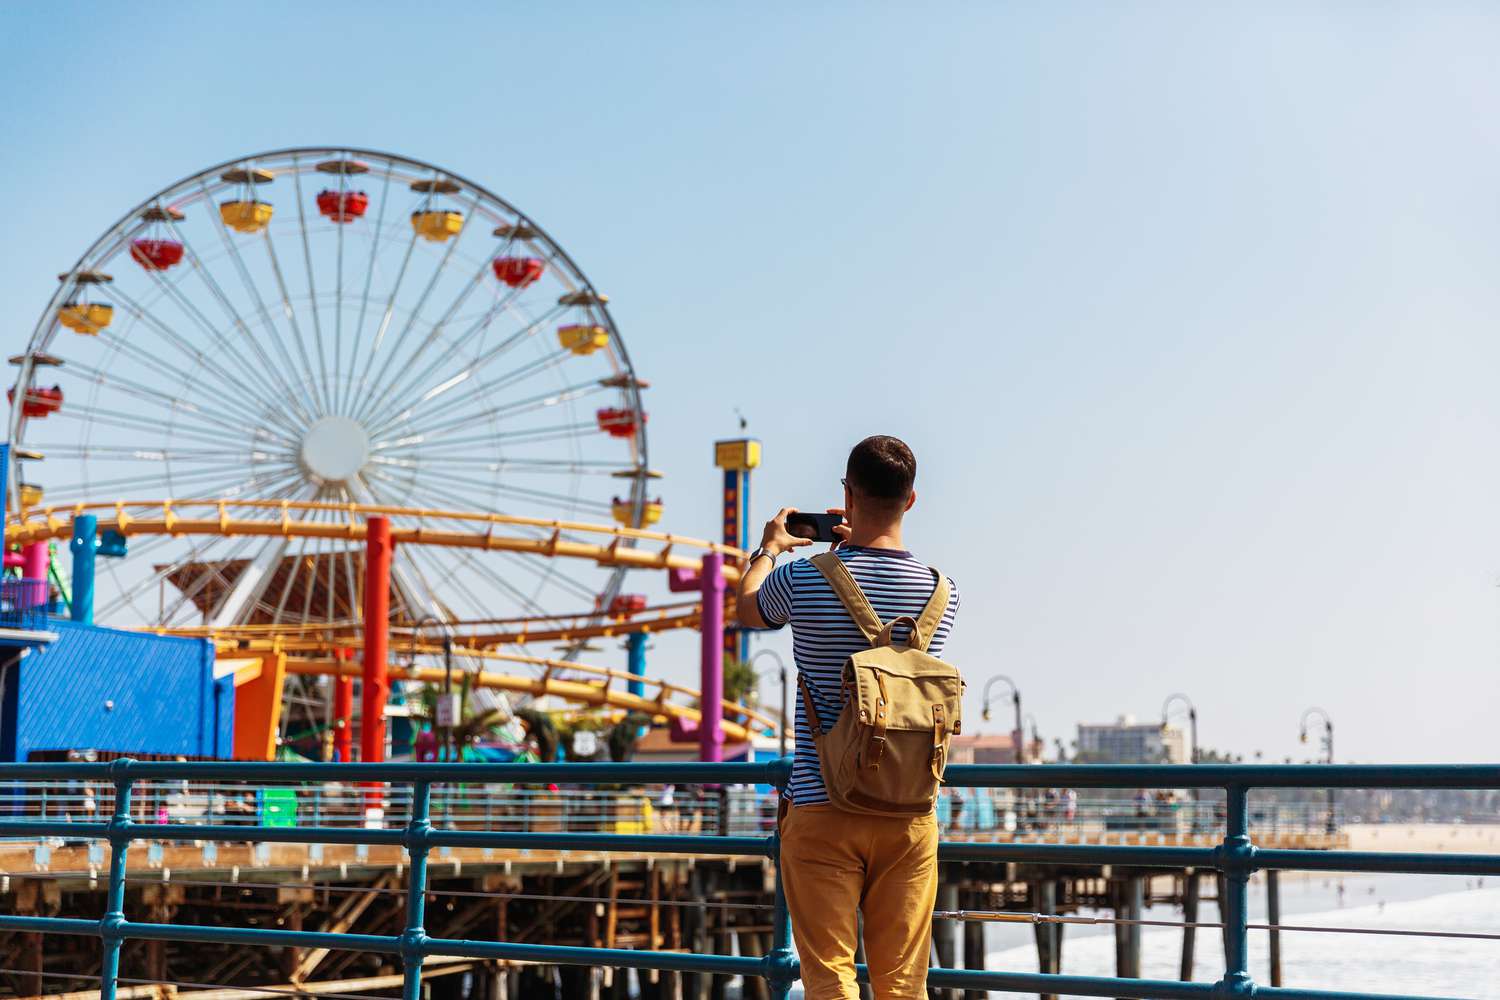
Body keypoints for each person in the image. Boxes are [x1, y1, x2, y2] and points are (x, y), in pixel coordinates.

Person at [738, 435, 960, 999]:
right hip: (909, 812)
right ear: (911, 500)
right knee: (903, 986)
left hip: (823, 806)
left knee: (829, 980)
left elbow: (745, 608)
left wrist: (768, 549)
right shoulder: (942, 592)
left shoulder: (806, 577)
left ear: (847, 494)